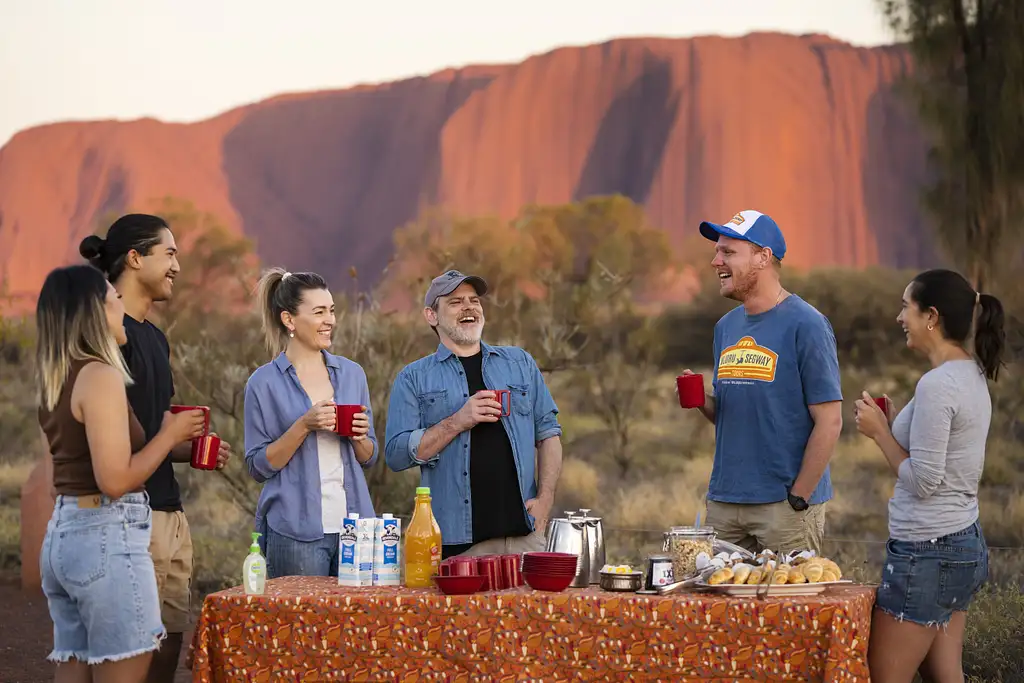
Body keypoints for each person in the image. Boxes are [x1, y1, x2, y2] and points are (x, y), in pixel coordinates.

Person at [35, 264, 207, 683]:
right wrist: (168, 436)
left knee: (74, 666)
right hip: (106, 537)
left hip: (66, 534)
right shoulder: (100, 376)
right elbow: (114, 479)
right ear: (97, 311)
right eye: (114, 300)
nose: (121, 306)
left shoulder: (59, 376)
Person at [79, 214, 231, 682]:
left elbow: (147, 429)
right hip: (121, 516)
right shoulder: (105, 335)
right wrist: (169, 435)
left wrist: (189, 448)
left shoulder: (155, 339)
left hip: (169, 514)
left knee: (166, 648)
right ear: (134, 258)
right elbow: (100, 439)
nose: (177, 267)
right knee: (123, 655)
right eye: (169, 253)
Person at [854, 269, 1002, 683]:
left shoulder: (938, 385)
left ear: (931, 316)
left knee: (880, 676)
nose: (901, 317)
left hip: (928, 553)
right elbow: (943, 454)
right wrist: (897, 422)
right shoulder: (970, 373)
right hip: (960, 544)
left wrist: (880, 433)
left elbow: (923, 480)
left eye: (907, 307)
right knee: (945, 675)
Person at [680, 210, 843, 555]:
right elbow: (730, 413)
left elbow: (830, 421)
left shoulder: (807, 324)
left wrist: (799, 496)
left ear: (763, 257)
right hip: (726, 501)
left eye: (728, 252)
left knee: (787, 605)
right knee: (717, 605)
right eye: (716, 251)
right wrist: (701, 400)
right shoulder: (725, 327)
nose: (715, 261)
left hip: (783, 507)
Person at [385, 269, 563, 559]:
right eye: (455, 302)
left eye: (474, 300)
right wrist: (457, 421)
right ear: (432, 316)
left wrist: (545, 500)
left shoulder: (519, 363)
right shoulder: (413, 378)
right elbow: (395, 454)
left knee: (531, 607)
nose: (468, 307)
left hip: (524, 537)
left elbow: (549, 434)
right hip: (457, 543)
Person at [243, 268, 378, 578]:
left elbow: (369, 457)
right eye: (319, 312)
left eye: (331, 310)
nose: (330, 319)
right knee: (302, 626)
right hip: (295, 532)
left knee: (360, 624)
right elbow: (257, 466)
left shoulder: (352, 374)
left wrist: (359, 438)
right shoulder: (263, 383)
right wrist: (303, 425)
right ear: (289, 320)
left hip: (355, 530)